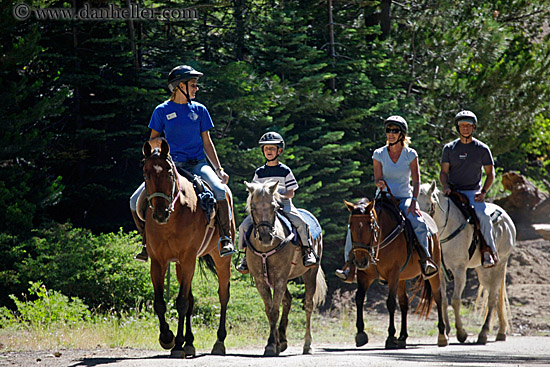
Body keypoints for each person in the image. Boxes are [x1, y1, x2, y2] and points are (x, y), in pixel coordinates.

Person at [129, 65, 235, 261]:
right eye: (193, 84)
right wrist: (156, 143)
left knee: (220, 192)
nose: (196, 88)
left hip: (197, 164)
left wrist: (218, 169)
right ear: (179, 86)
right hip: (171, 166)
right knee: (134, 201)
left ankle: (225, 238)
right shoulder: (161, 110)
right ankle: (145, 242)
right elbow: (152, 139)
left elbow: (207, 142)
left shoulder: (200, 110)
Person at [336, 115, 438, 280]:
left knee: (419, 222)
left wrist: (413, 201)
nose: (391, 134)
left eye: (395, 130)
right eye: (388, 130)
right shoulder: (379, 153)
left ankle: (425, 259)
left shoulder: (410, 154)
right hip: (383, 198)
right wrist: (379, 182)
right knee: (355, 222)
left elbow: (417, 180)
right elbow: (377, 178)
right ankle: (349, 265)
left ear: (402, 134)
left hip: (404, 198)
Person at [235, 132, 318, 273]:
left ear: (279, 151)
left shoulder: (285, 170)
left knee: (301, 223)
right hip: (263, 208)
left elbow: (291, 192)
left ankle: (307, 251)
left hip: (283, 204)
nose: (269, 151)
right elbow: (254, 191)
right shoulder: (259, 172)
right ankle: (244, 257)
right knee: (243, 227)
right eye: (266, 148)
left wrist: (278, 197)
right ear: (263, 151)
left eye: (272, 148)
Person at [440, 110, 498, 268]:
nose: (465, 128)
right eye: (462, 125)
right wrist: (445, 187)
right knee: (434, 213)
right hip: (452, 192)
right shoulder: (449, 149)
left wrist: (483, 192)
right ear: (457, 128)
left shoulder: (482, 149)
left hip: (473, 192)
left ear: (474, 127)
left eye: (468, 125)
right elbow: (444, 172)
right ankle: (431, 253)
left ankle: (488, 251)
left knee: (484, 217)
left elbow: (490, 174)